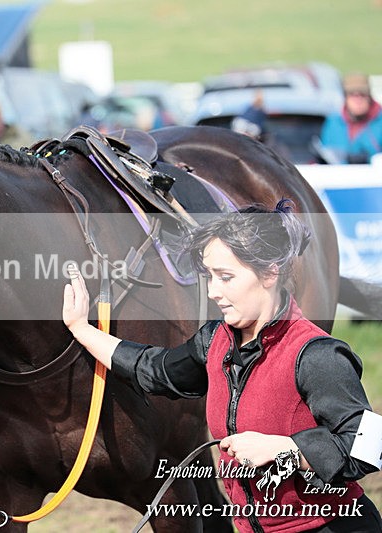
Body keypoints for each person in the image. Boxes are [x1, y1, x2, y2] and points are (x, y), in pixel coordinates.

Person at [62, 200, 381, 532]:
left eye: (226, 277)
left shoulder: (317, 355)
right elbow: (154, 369)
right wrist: (82, 330)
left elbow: (370, 448)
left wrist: (286, 448)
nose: (213, 292)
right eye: (209, 277)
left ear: (270, 272)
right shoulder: (214, 341)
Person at [320, 73, 382, 164]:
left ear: (369, 97)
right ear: (345, 97)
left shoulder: (379, 122)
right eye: (352, 95)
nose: (358, 101)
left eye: (362, 95)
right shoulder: (333, 122)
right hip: (337, 176)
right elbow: (325, 152)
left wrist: (369, 160)